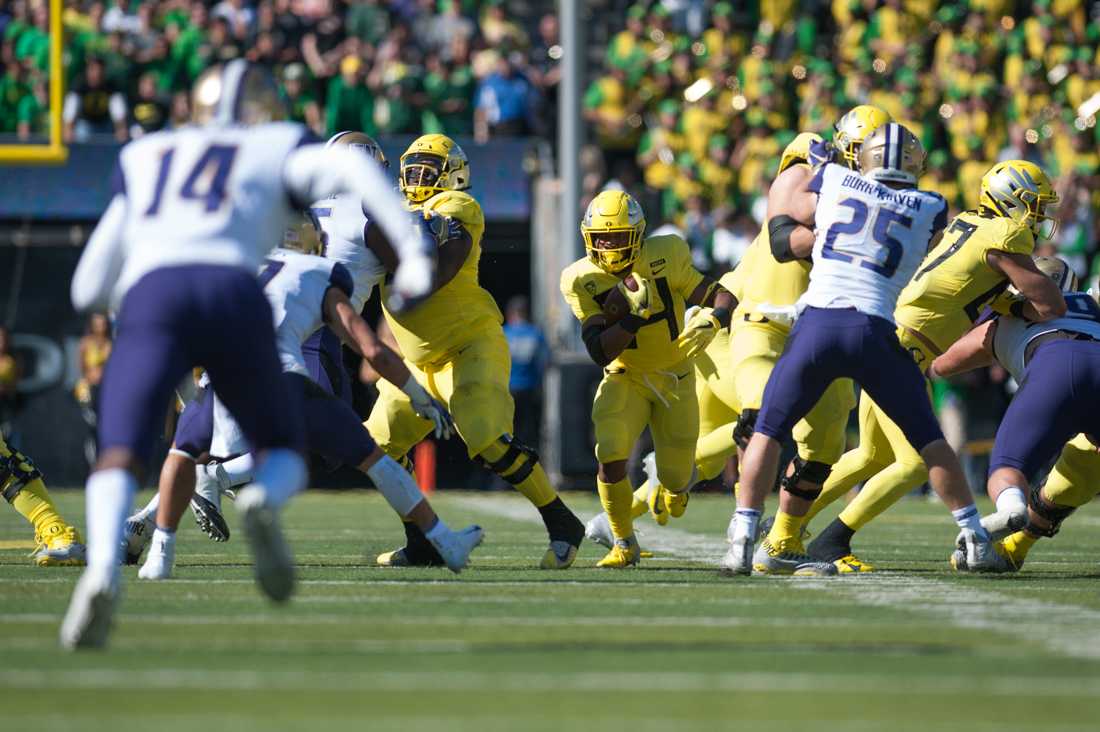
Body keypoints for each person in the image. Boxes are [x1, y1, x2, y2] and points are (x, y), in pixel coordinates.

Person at [61, 59, 432, 650]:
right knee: (287, 447)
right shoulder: (277, 149)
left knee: (118, 455)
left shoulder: (146, 154)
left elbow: (87, 288)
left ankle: (104, 572)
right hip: (237, 295)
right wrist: (411, 256)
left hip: (155, 295)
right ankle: (252, 497)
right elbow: (347, 165)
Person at [127, 221, 483, 580]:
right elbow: (372, 350)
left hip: (221, 379)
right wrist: (419, 396)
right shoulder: (319, 271)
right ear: (312, 240)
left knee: (181, 454)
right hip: (284, 380)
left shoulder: (234, 267)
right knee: (373, 457)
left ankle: (161, 554)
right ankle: (442, 540)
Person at [719, 123, 998, 577]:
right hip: (874, 331)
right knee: (929, 440)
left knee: (769, 429)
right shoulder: (932, 205)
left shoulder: (832, 180)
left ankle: (743, 538)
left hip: (818, 325)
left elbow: (792, 214)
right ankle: (973, 535)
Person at [801, 160, 1067, 571]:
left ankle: (784, 524)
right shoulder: (1006, 233)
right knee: (914, 462)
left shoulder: (970, 224)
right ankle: (830, 541)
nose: (1038, 216)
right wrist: (1037, 289)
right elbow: (1051, 305)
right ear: (1009, 200)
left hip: (890, 334)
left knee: (872, 455)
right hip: (902, 345)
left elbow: (969, 290)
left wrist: (1009, 302)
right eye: (1033, 205)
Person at [366, 134, 586, 570]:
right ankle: (422, 539)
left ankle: (561, 521)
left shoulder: (458, 206)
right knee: (375, 446)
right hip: (416, 359)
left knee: (487, 440)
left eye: (428, 167)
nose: (417, 176)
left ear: (452, 174)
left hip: (468, 344)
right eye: (412, 167)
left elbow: (441, 267)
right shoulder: (387, 213)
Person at [560, 189, 735, 567]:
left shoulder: (666, 252)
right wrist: (633, 317)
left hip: (675, 375)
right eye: (600, 237)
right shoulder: (580, 278)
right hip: (626, 374)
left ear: (638, 235)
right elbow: (599, 350)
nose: (607, 246)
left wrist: (712, 318)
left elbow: (720, 295)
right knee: (609, 454)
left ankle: (670, 486)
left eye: (618, 237)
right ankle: (623, 542)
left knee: (675, 478)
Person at [931, 257, 1100, 573]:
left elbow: (941, 365)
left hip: (1054, 366)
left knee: (1009, 468)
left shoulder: (1002, 319)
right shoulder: (1091, 303)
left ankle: (1012, 509)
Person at [502, 296, 548, 449]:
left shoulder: (503, 333)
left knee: (509, 430)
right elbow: (544, 361)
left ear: (510, 314)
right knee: (530, 430)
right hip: (530, 387)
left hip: (508, 389)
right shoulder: (536, 333)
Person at [75, 313, 113, 467]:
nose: (101, 325)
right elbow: (82, 369)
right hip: (92, 390)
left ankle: (109, 462)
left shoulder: (112, 342)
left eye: (103, 321)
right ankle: (94, 464)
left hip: (108, 390)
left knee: (108, 426)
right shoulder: (86, 343)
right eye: (98, 321)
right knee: (93, 427)